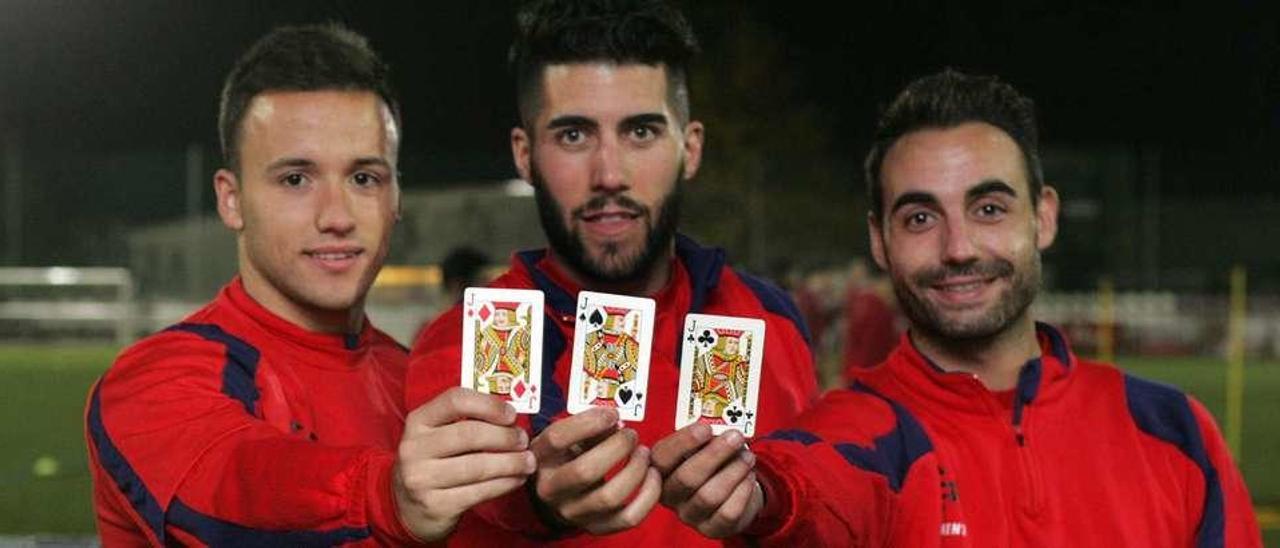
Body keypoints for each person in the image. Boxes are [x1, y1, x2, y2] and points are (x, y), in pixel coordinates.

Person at [651, 69, 1263, 545]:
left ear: (1043, 216)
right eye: (920, 218)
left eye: (989, 208)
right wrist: (760, 497)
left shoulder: (1175, 431)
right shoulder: (860, 434)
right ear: (878, 240)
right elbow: (807, 486)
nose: (959, 248)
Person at [85, 25, 534, 546]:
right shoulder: (152, 383)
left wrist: (542, 506)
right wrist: (388, 497)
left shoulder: (413, 381)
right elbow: (235, 486)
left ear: (396, 197)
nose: (337, 216)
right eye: (296, 179)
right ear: (231, 200)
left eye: (364, 178)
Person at [405, 0, 819, 545]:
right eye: (573, 135)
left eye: (641, 132)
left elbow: (825, 516)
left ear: (689, 149)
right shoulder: (455, 351)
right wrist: (532, 510)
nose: (609, 174)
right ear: (525, 155)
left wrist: (776, 510)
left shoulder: (770, 321)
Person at [840, 259, 899, 381]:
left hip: (855, 370)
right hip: (869, 375)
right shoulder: (878, 307)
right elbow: (872, 348)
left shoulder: (862, 301)